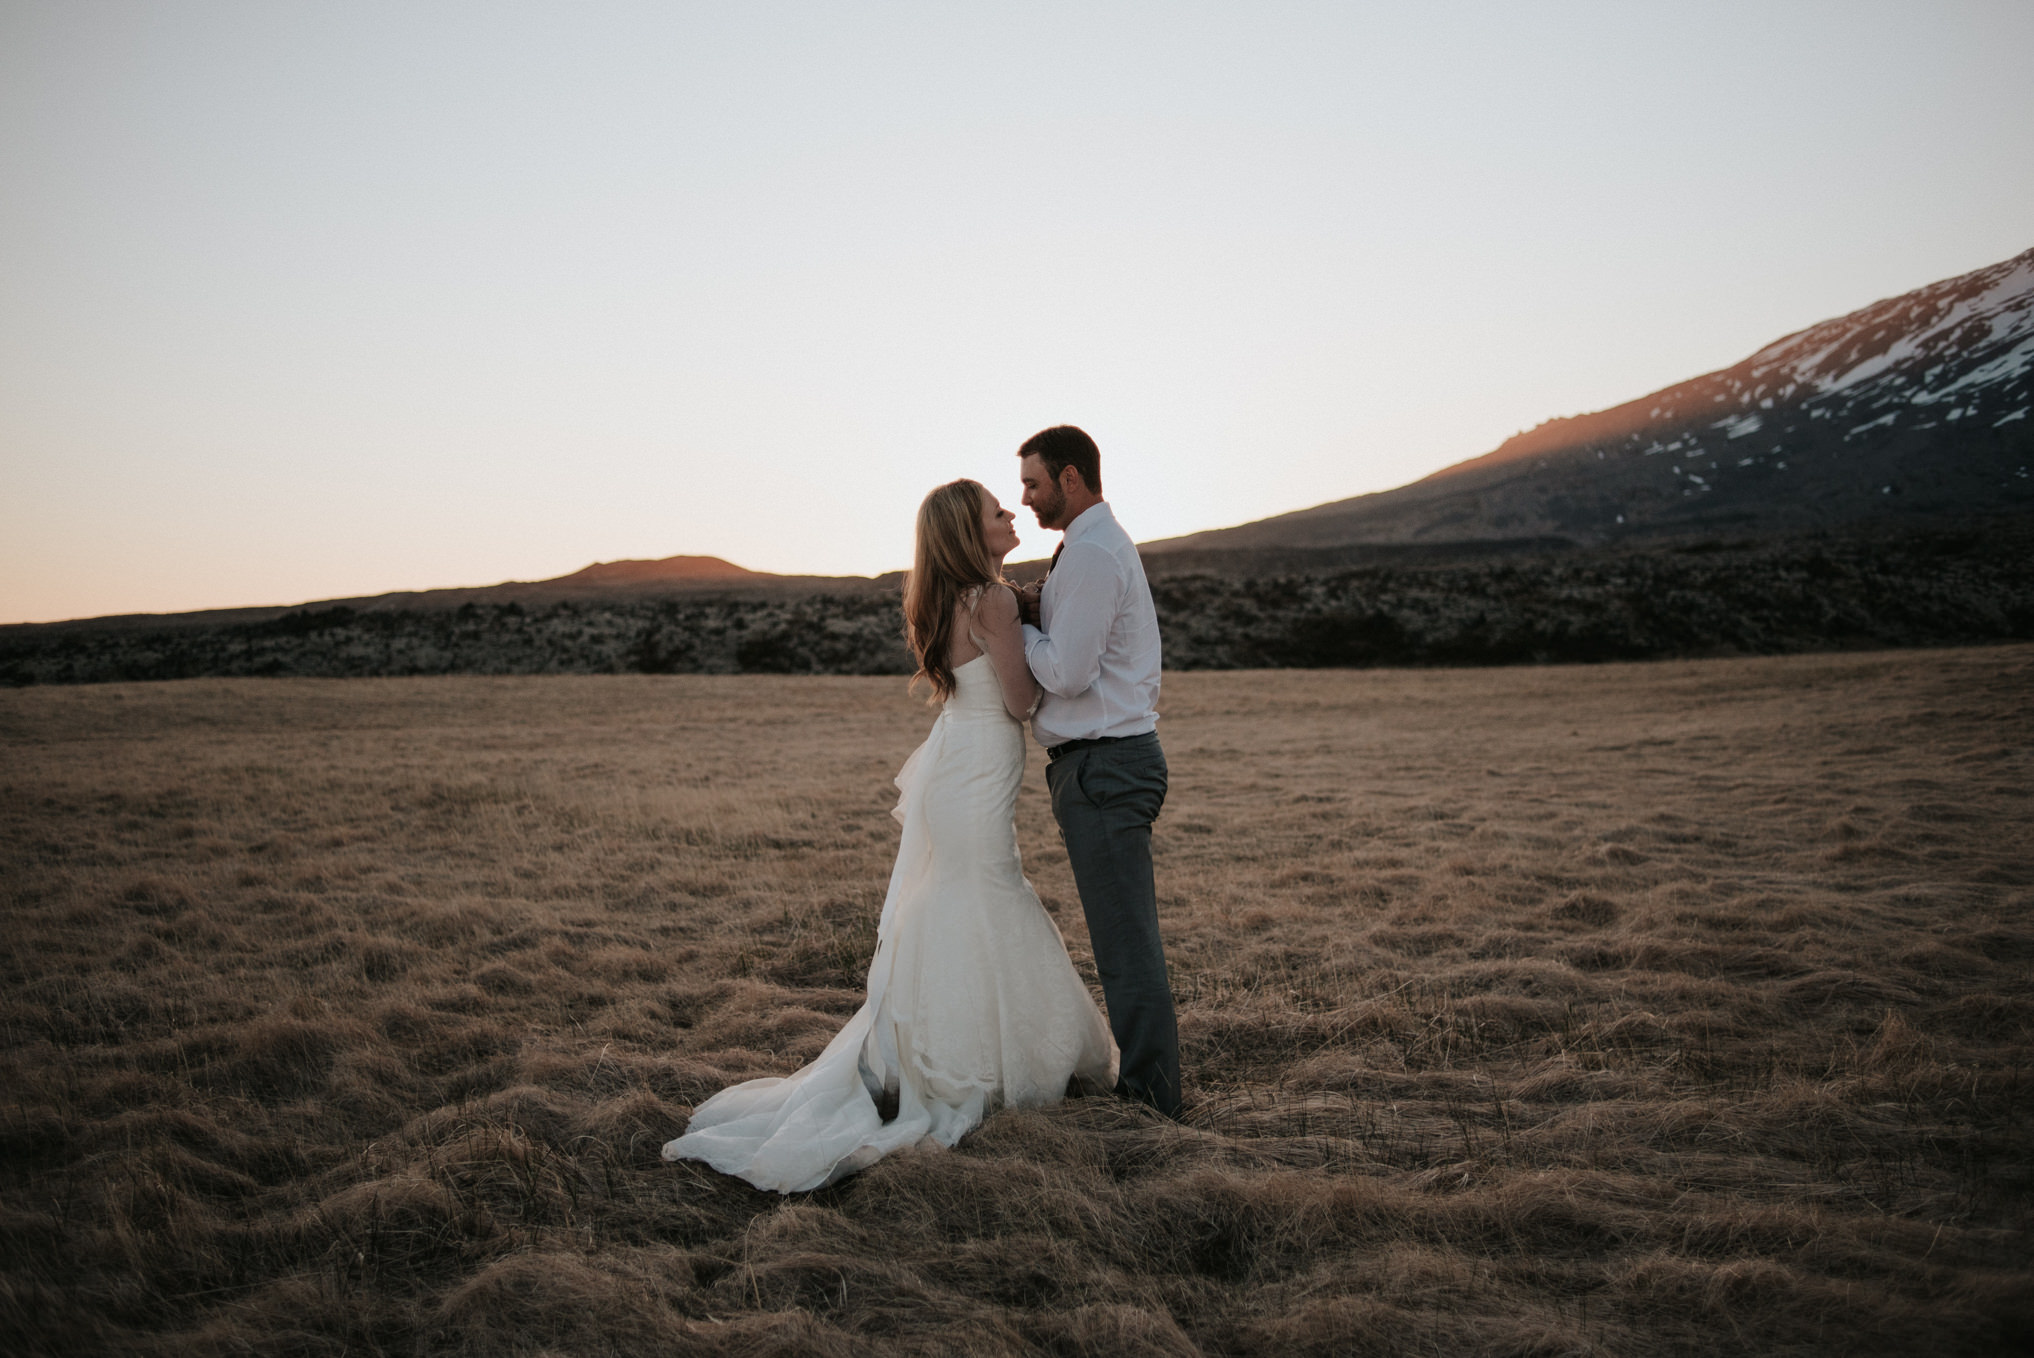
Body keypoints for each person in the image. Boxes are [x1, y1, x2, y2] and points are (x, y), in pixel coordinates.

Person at [661, 479, 1117, 1193]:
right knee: (987, 893)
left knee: (960, 896)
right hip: (978, 768)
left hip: (956, 766)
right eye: (997, 512)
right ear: (971, 532)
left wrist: (1017, 613)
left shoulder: (942, 600)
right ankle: (978, 1063)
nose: (1009, 516)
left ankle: (936, 1051)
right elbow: (1023, 699)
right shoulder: (990, 601)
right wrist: (1029, 626)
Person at [1014, 425, 1180, 1119]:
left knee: (1126, 947)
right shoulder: (1089, 549)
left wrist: (1013, 628)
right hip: (1106, 765)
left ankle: (1152, 1102)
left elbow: (1068, 672)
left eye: (1034, 483)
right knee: (1123, 939)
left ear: (1072, 478)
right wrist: (1037, 608)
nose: (1024, 498)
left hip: (1105, 767)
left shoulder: (1088, 555)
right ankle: (1148, 1088)